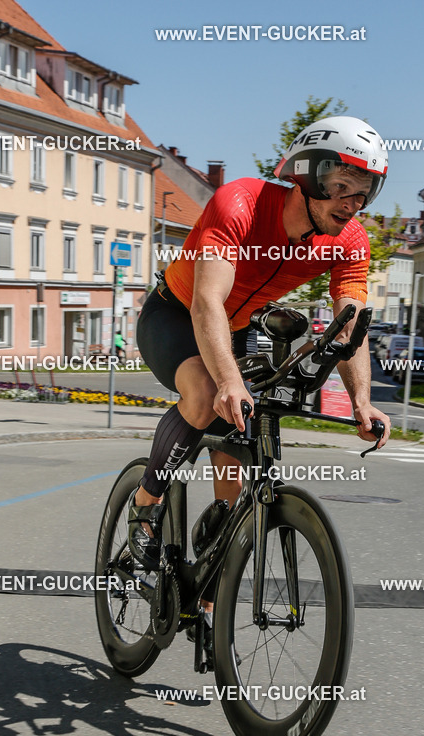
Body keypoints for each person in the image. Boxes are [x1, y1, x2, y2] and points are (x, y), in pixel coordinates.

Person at [129, 115, 392, 581]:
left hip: (238, 327)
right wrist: (228, 382)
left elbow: (350, 327)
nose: (353, 204)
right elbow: (207, 301)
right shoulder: (241, 203)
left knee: (245, 430)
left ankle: (212, 584)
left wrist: (362, 402)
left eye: (364, 193)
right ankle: (145, 504)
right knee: (209, 391)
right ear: (307, 175)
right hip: (177, 314)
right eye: (343, 186)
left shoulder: (350, 241)